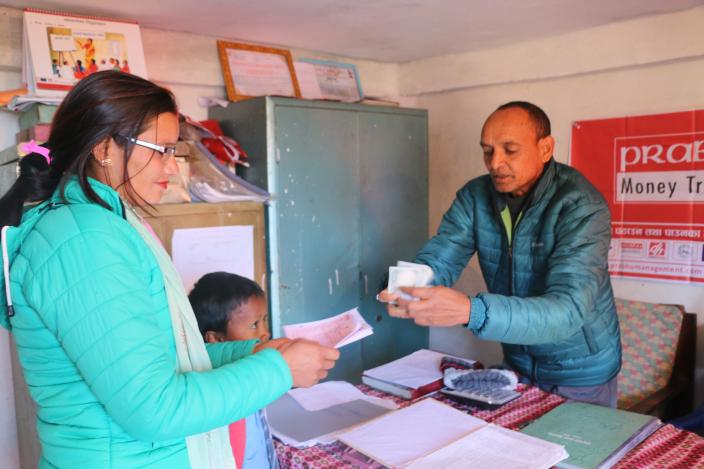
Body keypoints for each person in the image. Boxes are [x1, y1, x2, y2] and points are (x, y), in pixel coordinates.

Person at [0, 71, 339, 468]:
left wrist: (252, 351)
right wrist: (278, 370)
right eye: (161, 150)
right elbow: (156, 409)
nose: (173, 168)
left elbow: (167, 356)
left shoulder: (106, 225)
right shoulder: (84, 240)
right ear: (105, 147)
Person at [379, 101, 621, 407]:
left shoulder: (580, 206)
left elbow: (568, 310)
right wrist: (403, 287)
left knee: (572, 455)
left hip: (579, 373)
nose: (495, 163)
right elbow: (441, 257)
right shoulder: (475, 197)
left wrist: (471, 311)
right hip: (518, 363)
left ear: (545, 148)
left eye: (510, 150)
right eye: (488, 150)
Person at [190, 272, 279, 469]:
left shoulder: (251, 371)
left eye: (264, 320)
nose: (265, 332)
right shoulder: (221, 390)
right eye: (255, 324)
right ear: (216, 339)